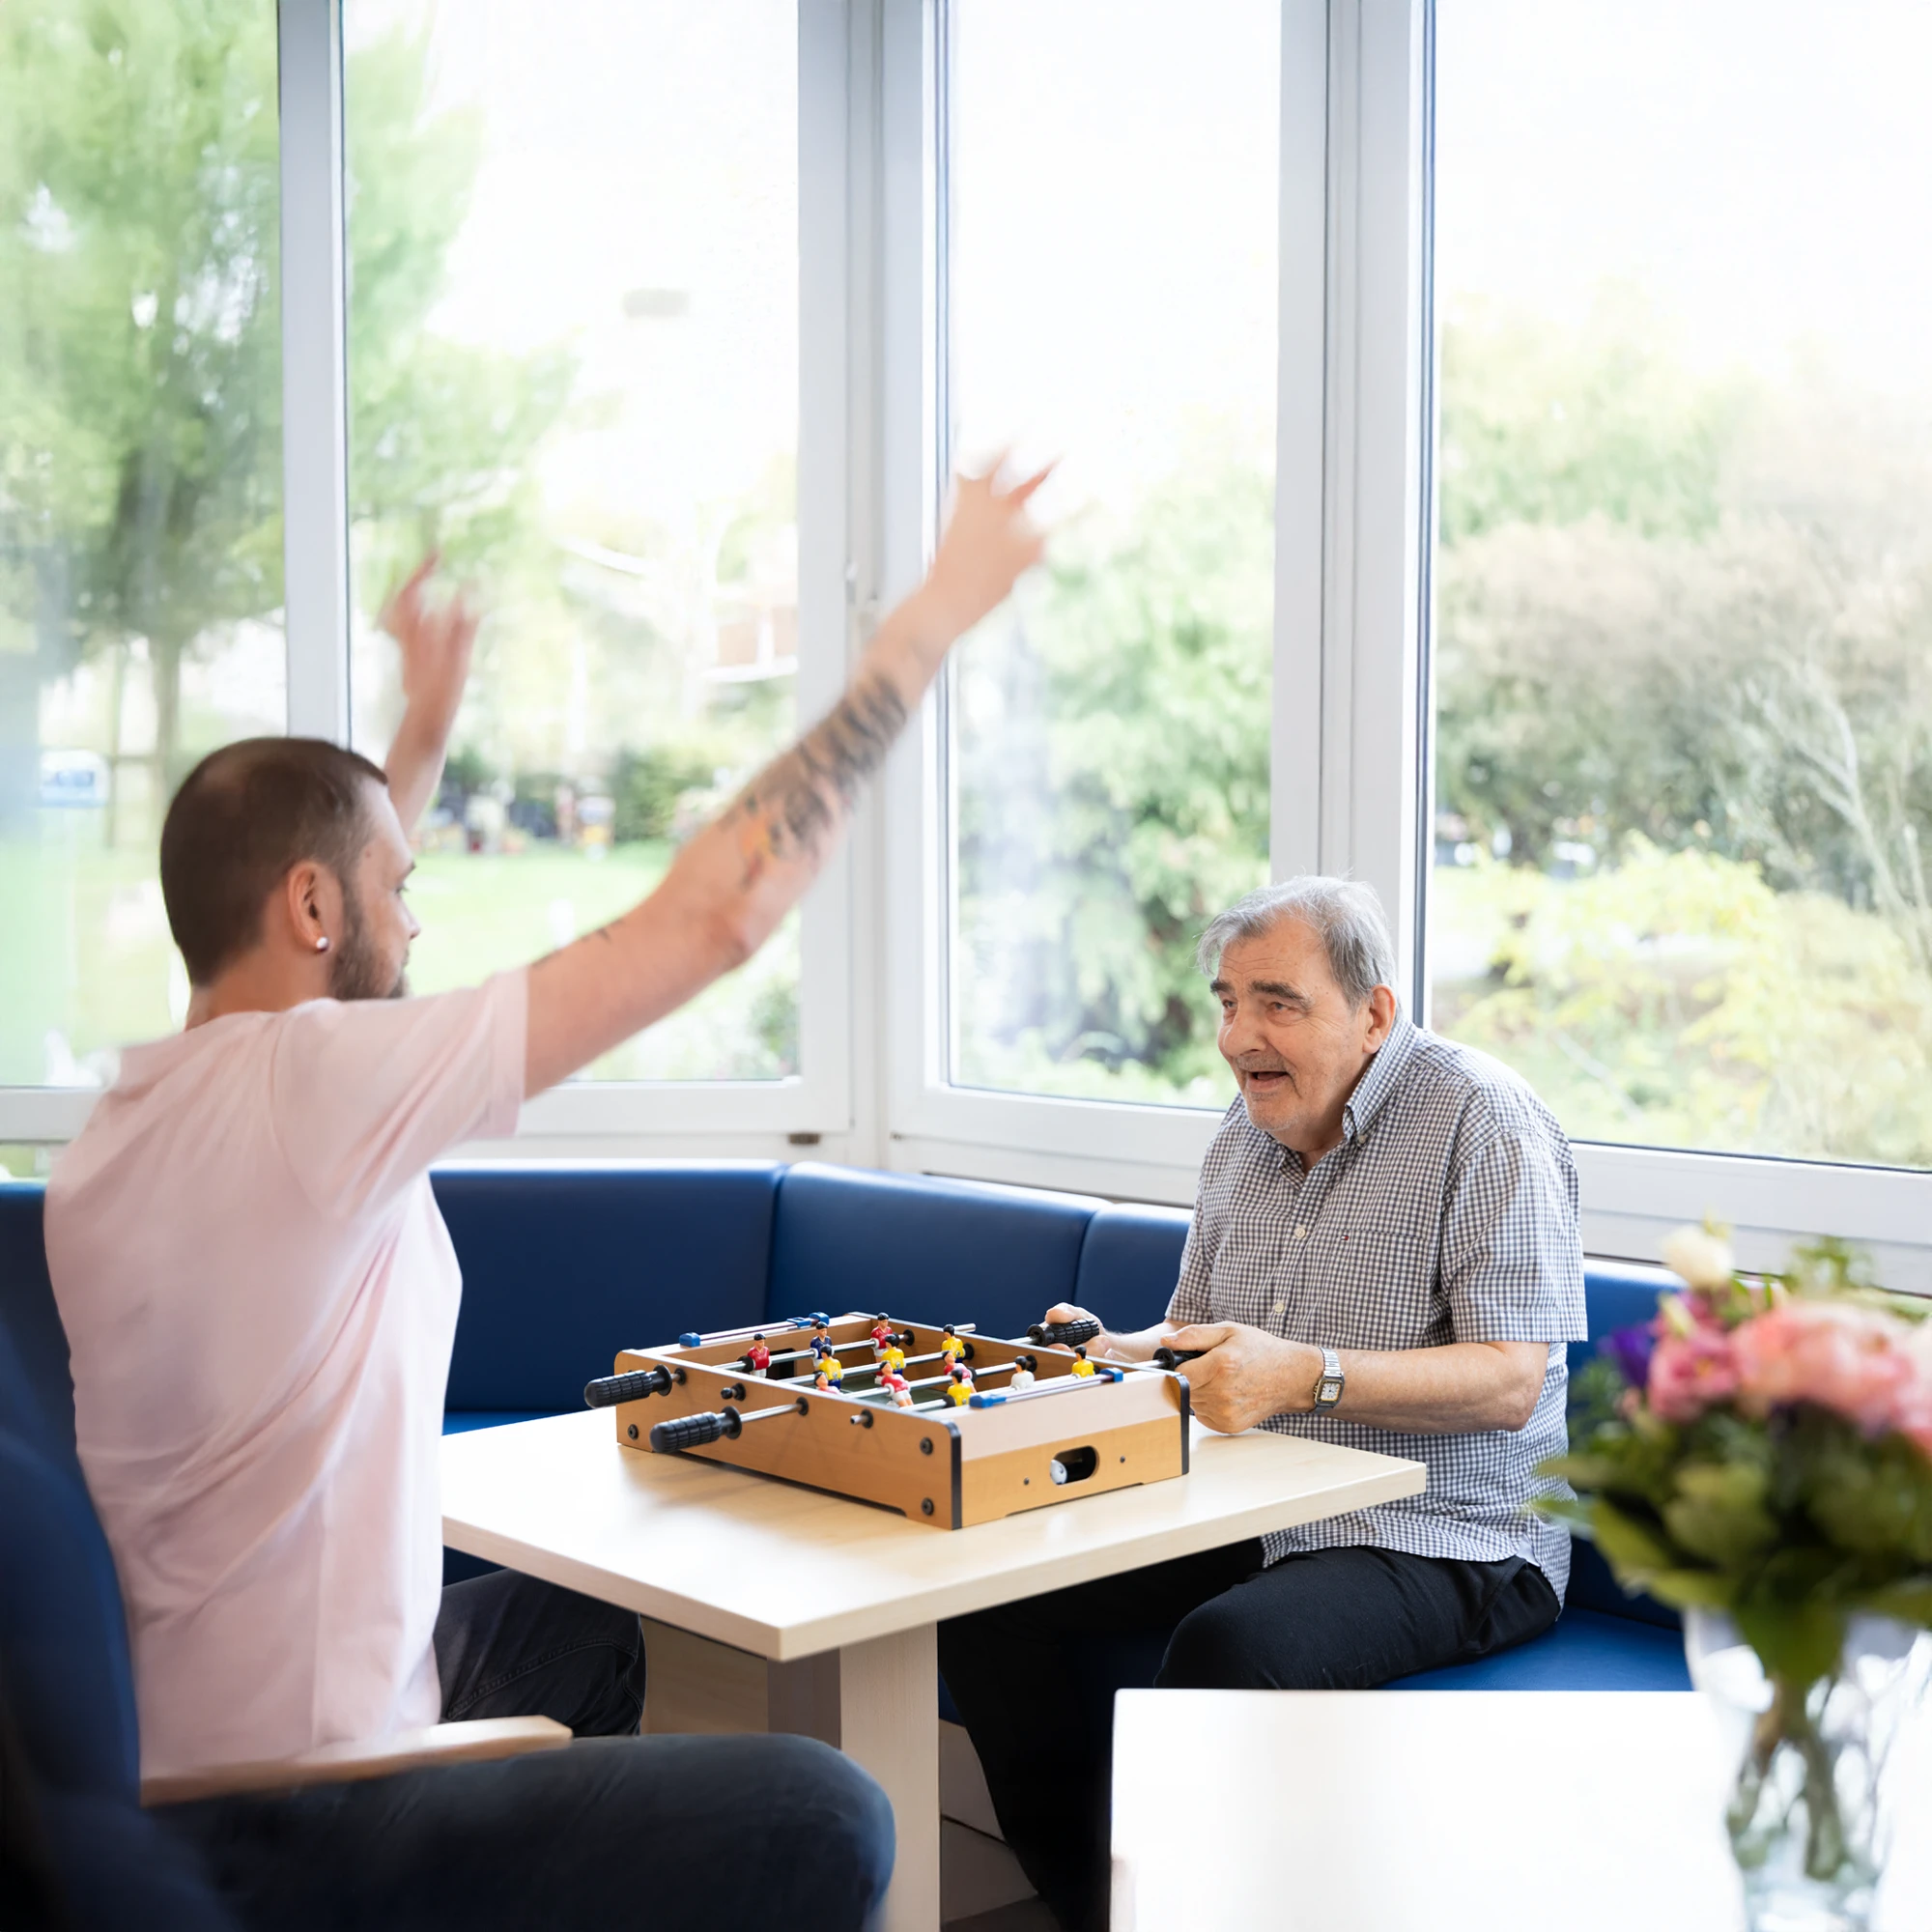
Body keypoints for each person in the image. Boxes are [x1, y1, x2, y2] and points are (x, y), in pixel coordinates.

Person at [43, 464, 1048, 1930]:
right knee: (825, 1812)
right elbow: (720, 912)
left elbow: (338, 921)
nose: (421, 912)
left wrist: (422, 734)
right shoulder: (316, 1093)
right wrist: (931, 620)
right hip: (313, 1812)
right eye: (399, 886)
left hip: (172, 1767)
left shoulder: (131, 1126)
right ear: (316, 909)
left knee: (582, 1625)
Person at [938, 875, 1586, 1932]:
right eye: (1226, 999)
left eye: (1277, 1000)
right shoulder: (1244, 1131)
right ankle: (1104, 1908)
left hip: (1456, 1537)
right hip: (1259, 1507)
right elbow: (1199, 1333)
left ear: (1373, 1010)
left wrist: (1310, 1373)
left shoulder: (1484, 1117)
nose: (1240, 1033)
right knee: (984, 1595)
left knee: (1226, 1648)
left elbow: (1510, 1379)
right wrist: (1116, 1347)